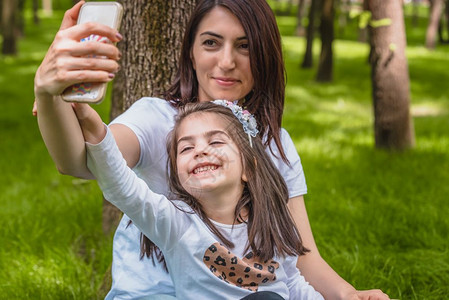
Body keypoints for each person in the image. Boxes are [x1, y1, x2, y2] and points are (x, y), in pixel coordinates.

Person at [33, 0, 389, 299]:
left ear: (264, 54)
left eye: (245, 46)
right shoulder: (158, 117)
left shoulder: (273, 142)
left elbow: (298, 255)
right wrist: (48, 93)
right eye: (211, 43)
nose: (227, 62)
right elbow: (80, 162)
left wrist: (348, 294)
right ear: (191, 50)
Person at [77, 100, 324, 299]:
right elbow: (121, 186)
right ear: (178, 175)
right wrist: (91, 123)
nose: (200, 150)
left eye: (215, 141)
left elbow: (292, 282)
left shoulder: (272, 223)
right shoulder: (176, 223)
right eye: (186, 148)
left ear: (249, 168)